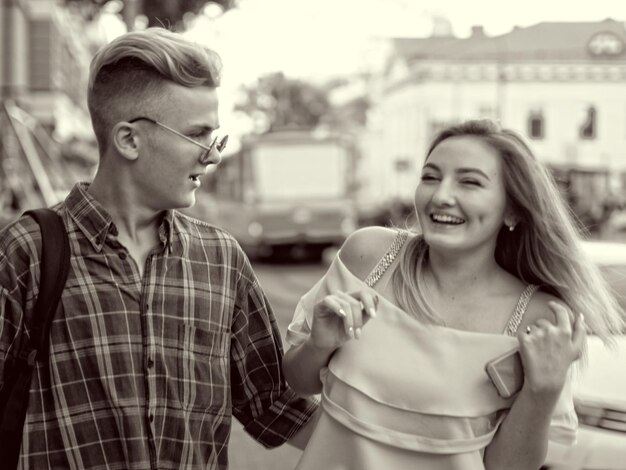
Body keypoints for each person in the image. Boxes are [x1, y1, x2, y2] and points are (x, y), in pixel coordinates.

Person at [0, 28, 317, 469]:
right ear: (129, 139)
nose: (212, 155)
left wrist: (414, 436)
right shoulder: (26, 254)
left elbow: (275, 406)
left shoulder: (221, 259)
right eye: (198, 134)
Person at [283, 119, 625, 469]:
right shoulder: (368, 256)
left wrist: (542, 390)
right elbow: (297, 380)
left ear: (512, 209)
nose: (442, 196)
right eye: (430, 177)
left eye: (470, 182)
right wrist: (319, 345)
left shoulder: (540, 317)